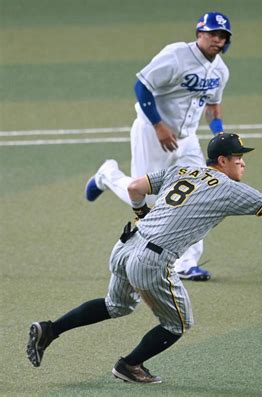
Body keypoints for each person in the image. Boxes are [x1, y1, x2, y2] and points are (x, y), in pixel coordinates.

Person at [27, 133, 262, 384]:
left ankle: (50, 330)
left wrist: (142, 214)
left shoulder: (182, 170)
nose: (243, 162)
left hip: (125, 246)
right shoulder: (230, 189)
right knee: (178, 323)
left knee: (117, 306)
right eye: (238, 157)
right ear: (222, 161)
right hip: (150, 261)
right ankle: (129, 365)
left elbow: (134, 187)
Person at [84, 11, 233, 281]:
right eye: (211, 33)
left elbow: (213, 108)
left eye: (221, 35)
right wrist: (158, 125)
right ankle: (108, 175)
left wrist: (220, 136)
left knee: (199, 192)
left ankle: (186, 263)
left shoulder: (220, 70)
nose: (216, 39)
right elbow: (142, 86)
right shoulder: (177, 55)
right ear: (199, 34)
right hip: (152, 133)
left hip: (187, 140)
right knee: (149, 197)